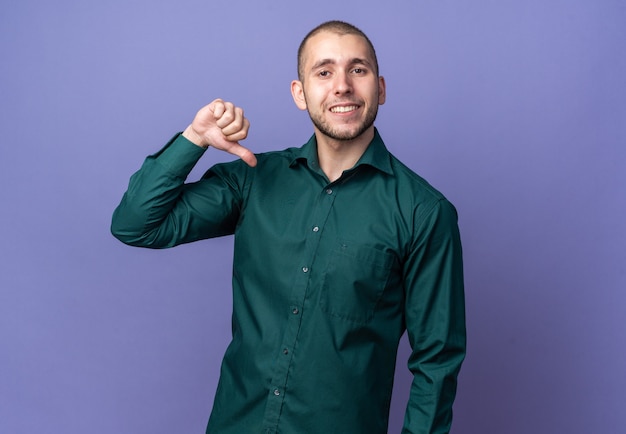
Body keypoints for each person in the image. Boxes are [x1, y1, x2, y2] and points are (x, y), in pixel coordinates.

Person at [111, 20, 466, 434]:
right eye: (324, 71)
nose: (342, 86)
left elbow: (436, 361)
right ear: (300, 93)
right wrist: (194, 138)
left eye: (358, 69)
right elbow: (136, 225)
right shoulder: (252, 180)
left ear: (380, 88)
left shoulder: (424, 212)